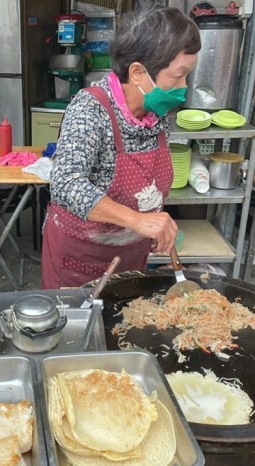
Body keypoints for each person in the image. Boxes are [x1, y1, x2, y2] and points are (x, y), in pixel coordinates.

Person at [41, 6, 201, 289]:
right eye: (178, 76)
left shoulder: (155, 115)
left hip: (130, 258)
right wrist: (137, 220)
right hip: (79, 262)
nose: (183, 86)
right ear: (138, 72)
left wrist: (154, 225)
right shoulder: (90, 109)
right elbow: (66, 184)